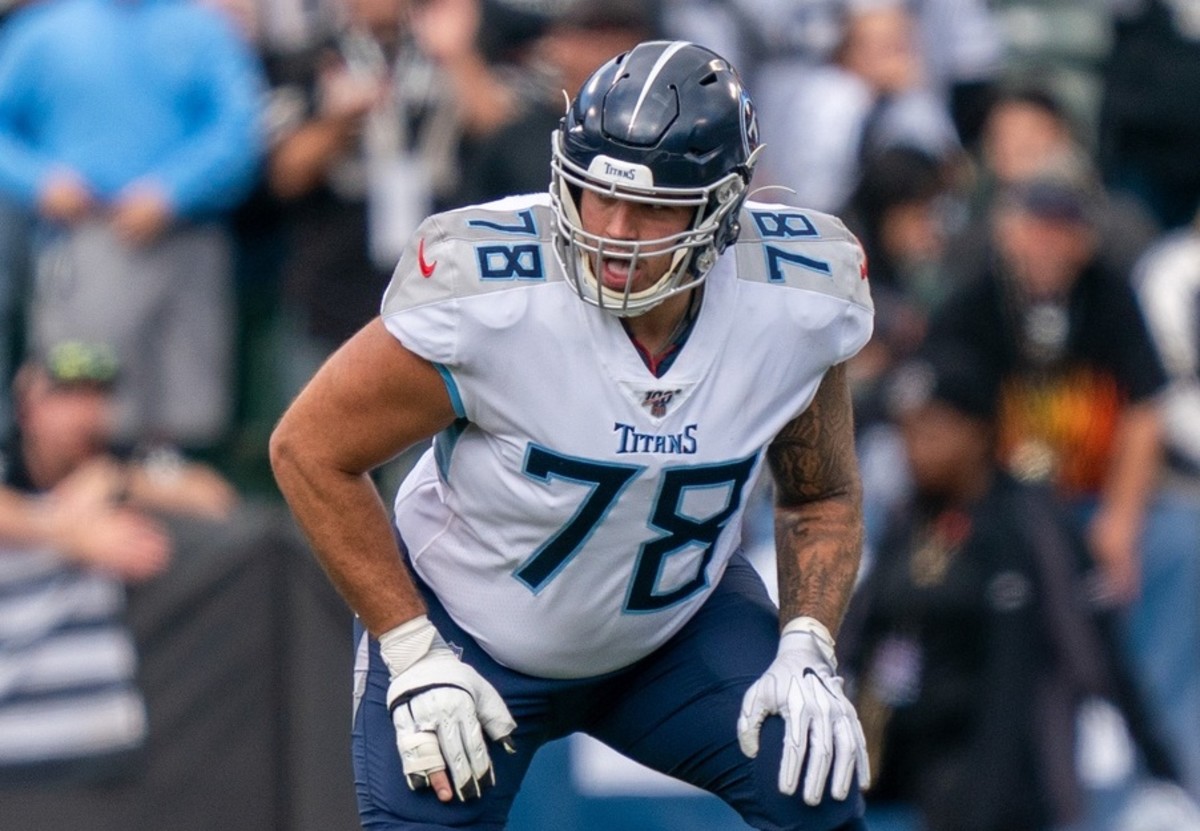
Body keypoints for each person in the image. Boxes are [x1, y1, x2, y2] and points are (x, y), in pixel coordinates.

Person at [271, 39, 874, 830]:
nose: (615, 233)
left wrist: (807, 645)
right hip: (470, 636)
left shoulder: (794, 297)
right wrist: (412, 647)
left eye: (652, 205)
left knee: (812, 775)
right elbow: (308, 449)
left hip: (677, 632)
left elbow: (821, 491)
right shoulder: (490, 293)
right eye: (596, 196)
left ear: (722, 207)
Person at [840, 342, 1180, 831]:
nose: (917, 448)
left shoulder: (1029, 520)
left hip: (1014, 777)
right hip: (909, 770)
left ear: (978, 432)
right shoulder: (910, 520)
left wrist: (1159, 766)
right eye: (908, 431)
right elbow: (861, 632)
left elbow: (1095, 649)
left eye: (934, 429)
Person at [0, 0, 265, 456]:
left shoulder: (203, 31)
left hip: (187, 240)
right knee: (80, 410)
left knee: (188, 419)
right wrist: (41, 180)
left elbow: (240, 129)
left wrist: (173, 193)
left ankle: (179, 513)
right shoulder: (41, 31)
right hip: (82, 244)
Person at [0, 340, 235, 784]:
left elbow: (215, 496)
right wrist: (72, 535)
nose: (86, 412)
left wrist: (121, 481)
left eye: (96, 395)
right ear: (28, 407)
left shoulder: (117, 458)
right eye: (67, 395)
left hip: (100, 736)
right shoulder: (10, 463)